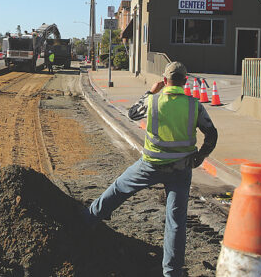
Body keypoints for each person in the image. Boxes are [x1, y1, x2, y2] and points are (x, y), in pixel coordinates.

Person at [86, 62, 218, 277]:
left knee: (120, 188)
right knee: (176, 220)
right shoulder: (195, 105)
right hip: (180, 169)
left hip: (151, 165)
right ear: (185, 82)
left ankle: (89, 218)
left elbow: (132, 114)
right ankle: (171, 271)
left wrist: (150, 91)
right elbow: (212, 135)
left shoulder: (153, 101)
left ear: (165, 81)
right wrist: (200, 157)